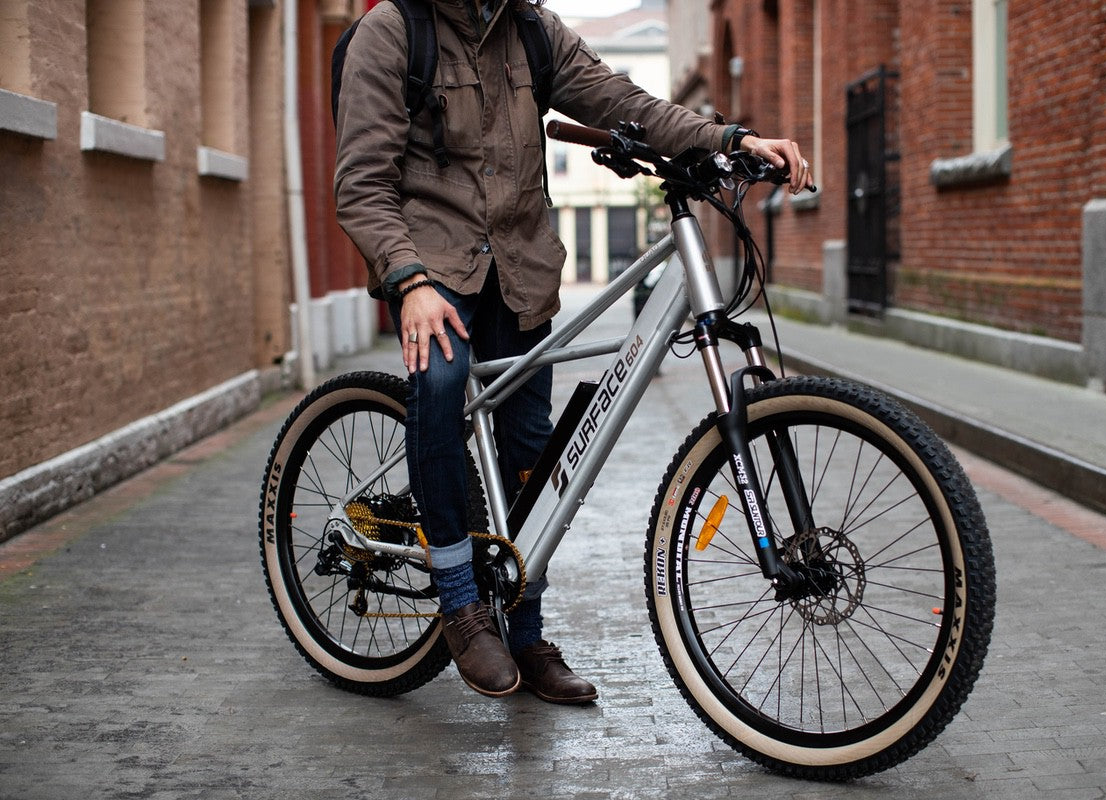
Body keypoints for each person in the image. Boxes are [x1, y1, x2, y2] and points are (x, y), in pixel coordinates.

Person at [334, 0, 813, 705]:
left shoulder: (533, 31)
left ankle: (524, 631)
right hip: (433, 267)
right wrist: (408, 281)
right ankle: (462, 606)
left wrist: (730, 138)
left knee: (533, 443)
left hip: (521, 269)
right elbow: (362, 185)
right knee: (438, 386)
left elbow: (624, 99)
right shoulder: (393, 32)